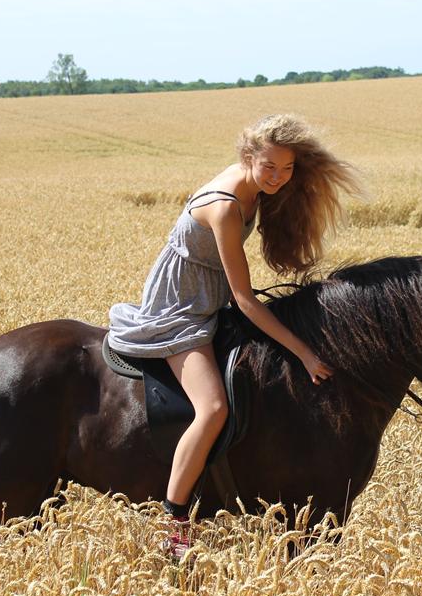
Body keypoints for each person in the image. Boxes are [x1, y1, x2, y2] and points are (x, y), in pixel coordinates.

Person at [108, 113, 361, 558]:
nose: (278, 177)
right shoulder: (226, 206)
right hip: (180, 310)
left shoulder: (257, 188)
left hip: (209, 299)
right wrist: (304, 353)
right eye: (269, 167)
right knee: (212, 408)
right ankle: (174, 525)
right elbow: (244, 300)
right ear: (248, 157)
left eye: (287, 169)